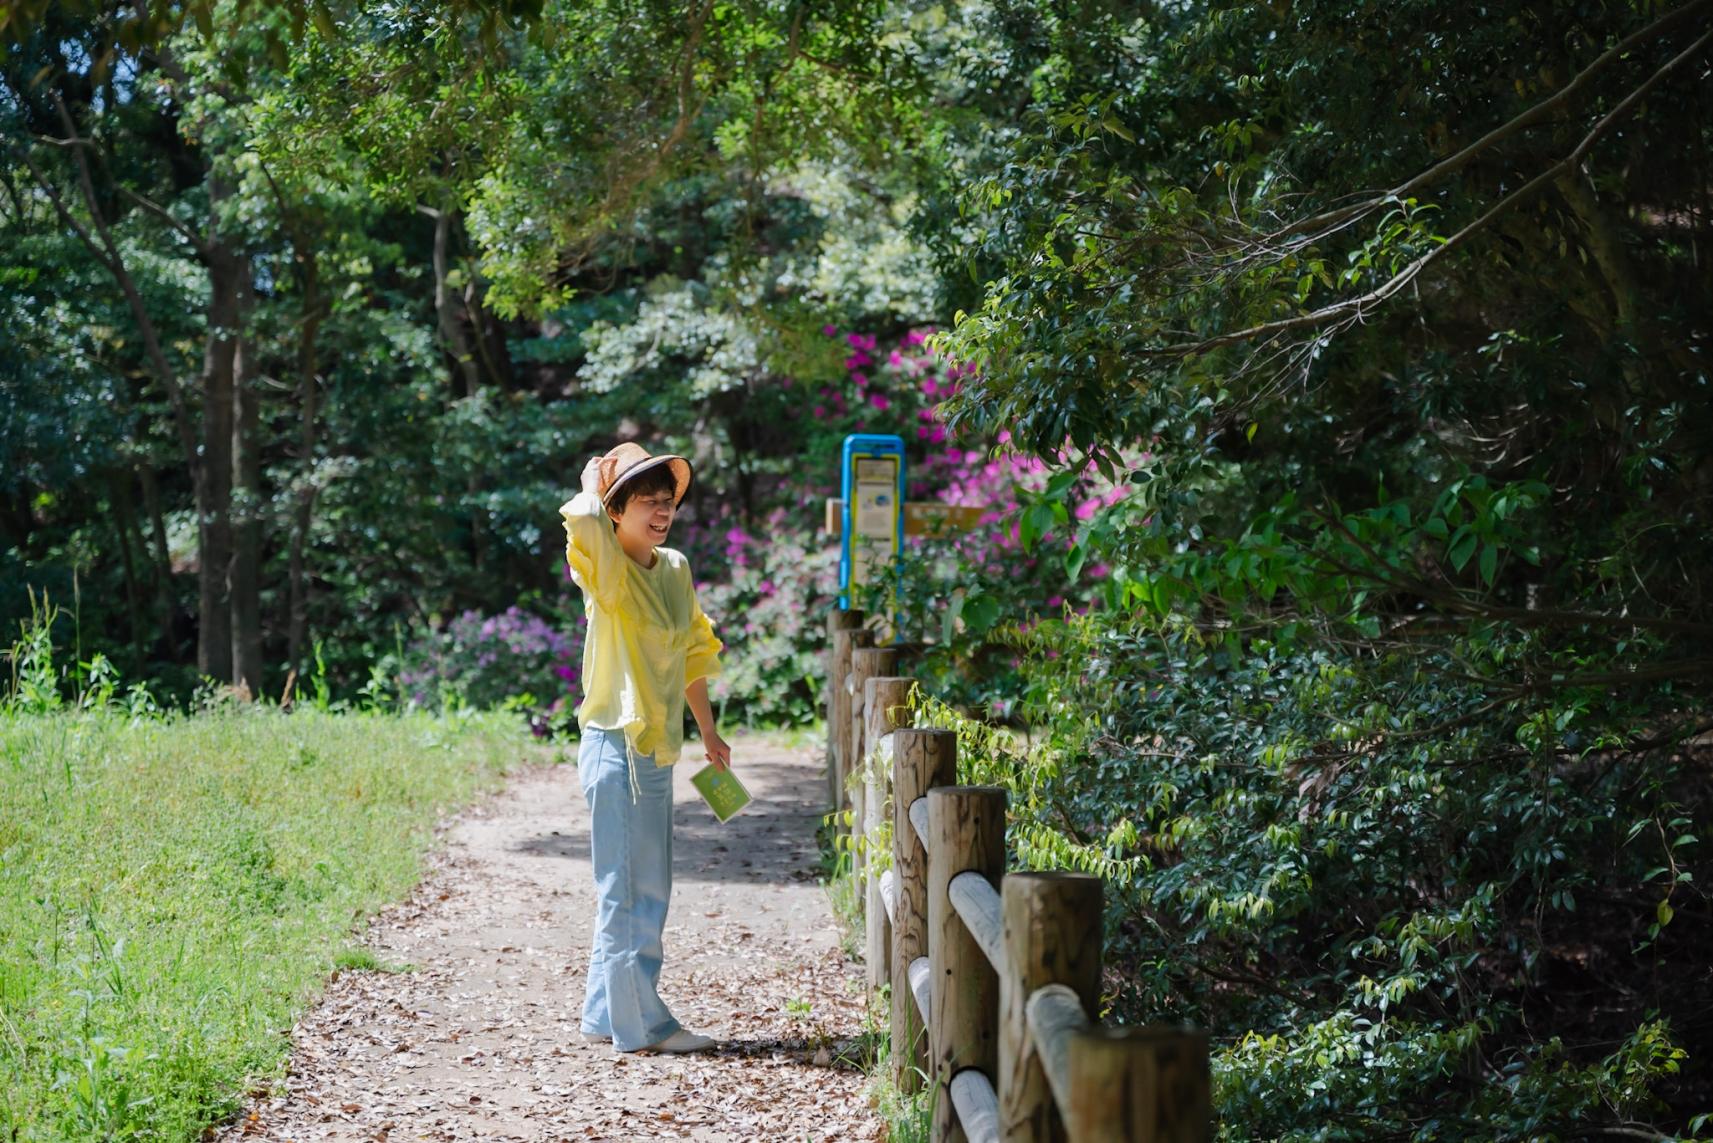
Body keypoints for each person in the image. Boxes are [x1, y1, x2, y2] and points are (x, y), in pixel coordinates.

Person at [560, 441, 730, 1054]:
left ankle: (605, 1015)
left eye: (667, 502)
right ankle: (644, 1029)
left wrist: (708, 729)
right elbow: (582, 522)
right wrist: (591, 479)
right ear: (616, 509)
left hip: (657, 750)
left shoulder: (676, 568)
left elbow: (691, 652)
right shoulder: (605, 569)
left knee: (646, 888)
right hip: (614, 746)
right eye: (645, 502)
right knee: (625, 891)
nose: (660, 513)